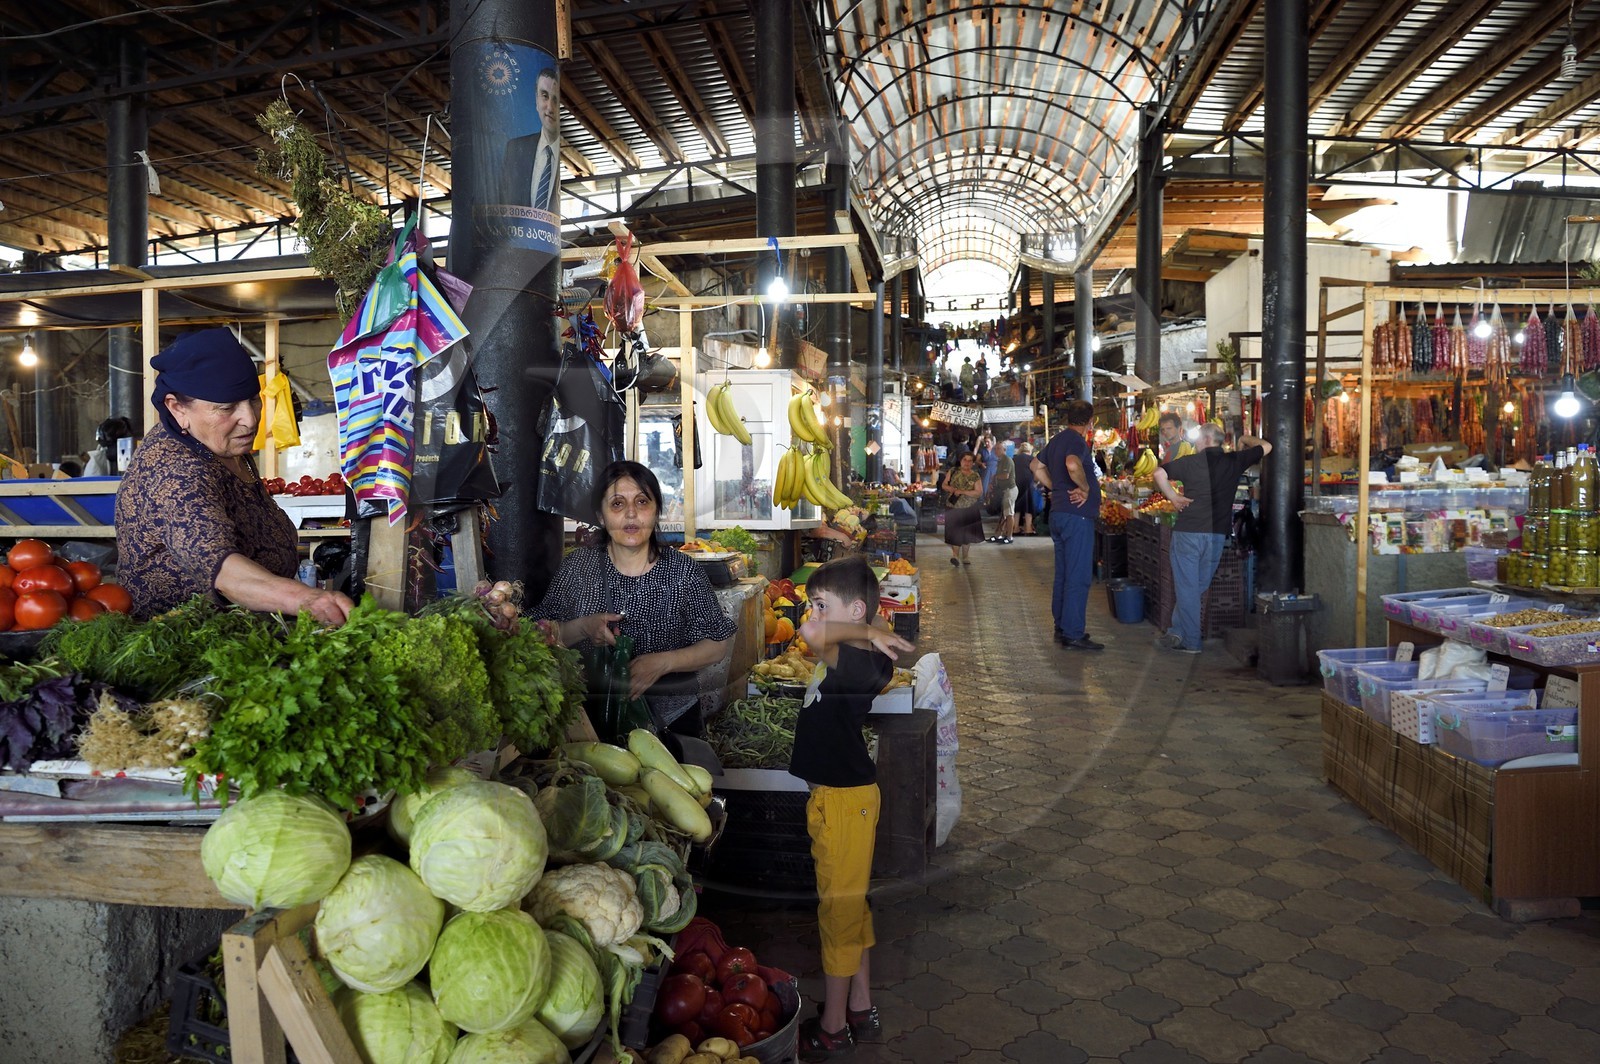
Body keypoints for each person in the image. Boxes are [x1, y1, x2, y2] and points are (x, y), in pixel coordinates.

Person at [114, 328, 354, 625]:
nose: (250, 419)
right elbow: (221, 568)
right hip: (190, 644)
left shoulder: (219, 444)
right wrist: (304, 599)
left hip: (247, 635)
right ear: (177, 408)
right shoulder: (174, 471)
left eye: (253, 399)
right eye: (226, 407)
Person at [789, 556, 914, 1061]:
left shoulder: (854, 656)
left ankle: (834, 1026)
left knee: (837, 916)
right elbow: (855, 625)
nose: (813, 615)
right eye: (813, 605)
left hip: (844, 803)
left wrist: (857, 625)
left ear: (855, 610)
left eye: (822, 605)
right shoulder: (865, 648)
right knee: (852, 907)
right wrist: (868, 625)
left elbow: (807, 631)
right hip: (843, 799)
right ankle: (860, 1005)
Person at [532, 460, 735, 732]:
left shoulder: (683, 572)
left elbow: (716, 645)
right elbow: (539, 633)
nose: (631, 514)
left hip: (672, 722)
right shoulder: (578, 569)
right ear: (601, 516)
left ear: (656, 512)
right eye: (617, 504)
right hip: (589, 724)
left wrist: (664, 662)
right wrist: (582, 627)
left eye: (642, 502)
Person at [1152, 425, 1271, 654]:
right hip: (1216, 534)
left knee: (1188, 587)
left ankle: (1192, 641)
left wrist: (1174, 497)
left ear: (1206, 439)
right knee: (1196, 587)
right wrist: (1244, 438)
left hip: (1189, 532)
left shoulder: (1189, 462)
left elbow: (1158, 474)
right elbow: (1266, 446)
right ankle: (1177, 631)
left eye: (1198, 439)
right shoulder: (1235, 460)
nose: (1195, 443)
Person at [1032, 399, 1103, 650]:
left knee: (1063, 573)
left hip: (1059, 514)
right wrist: (1083, 487)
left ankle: (1061, 625)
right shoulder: (1075, 440)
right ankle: (1073, 633)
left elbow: (1035, 466)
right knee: (1078, 575)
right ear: (1090, 422)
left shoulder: (1057, 440)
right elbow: (1073, 465)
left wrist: (1057, 487)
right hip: (1077, 517)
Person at [498, 66, 562, 212]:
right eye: (544, 96)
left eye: (555, 99)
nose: (550, 107)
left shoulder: (563, 156)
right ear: (536, 100)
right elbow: (503, 206)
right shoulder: (514, 150)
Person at [940, 451, 984, 566]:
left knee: (967, 533)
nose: (967, 463)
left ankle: (965, 556)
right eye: (965, 460)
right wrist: (951, 489)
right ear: (961, 460)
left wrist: (963, 492)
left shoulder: (975, 475)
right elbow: (944, 485)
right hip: (953, 507)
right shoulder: (953, 471)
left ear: (973, 463)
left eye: (970, 461)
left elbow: (978, 492)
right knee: (955, 532)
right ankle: (955, 556)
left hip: (969, 508)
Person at [986, 441, 1017, 543]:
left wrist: (994, 477)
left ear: (1004, 450)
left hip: (1010, 489)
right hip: (1004, 490)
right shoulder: (1000, 461)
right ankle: (998, 534)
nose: (996, 451)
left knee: (1009, 514)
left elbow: (1005, 476)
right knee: (1004, 514)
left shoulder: (1007, 460)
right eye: (995, 449)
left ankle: (1009, 537)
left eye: (998, 448)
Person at [1014, 441, 1037, 535]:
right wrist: (1036, 483)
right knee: (1028, 505)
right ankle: (1028, 528)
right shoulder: (1032, 459)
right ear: (1030, 450)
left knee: (1017, 505)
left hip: (1016, 483)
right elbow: (1036, 474)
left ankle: (1015, 528)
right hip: (1028, 483)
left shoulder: (1014, 459)